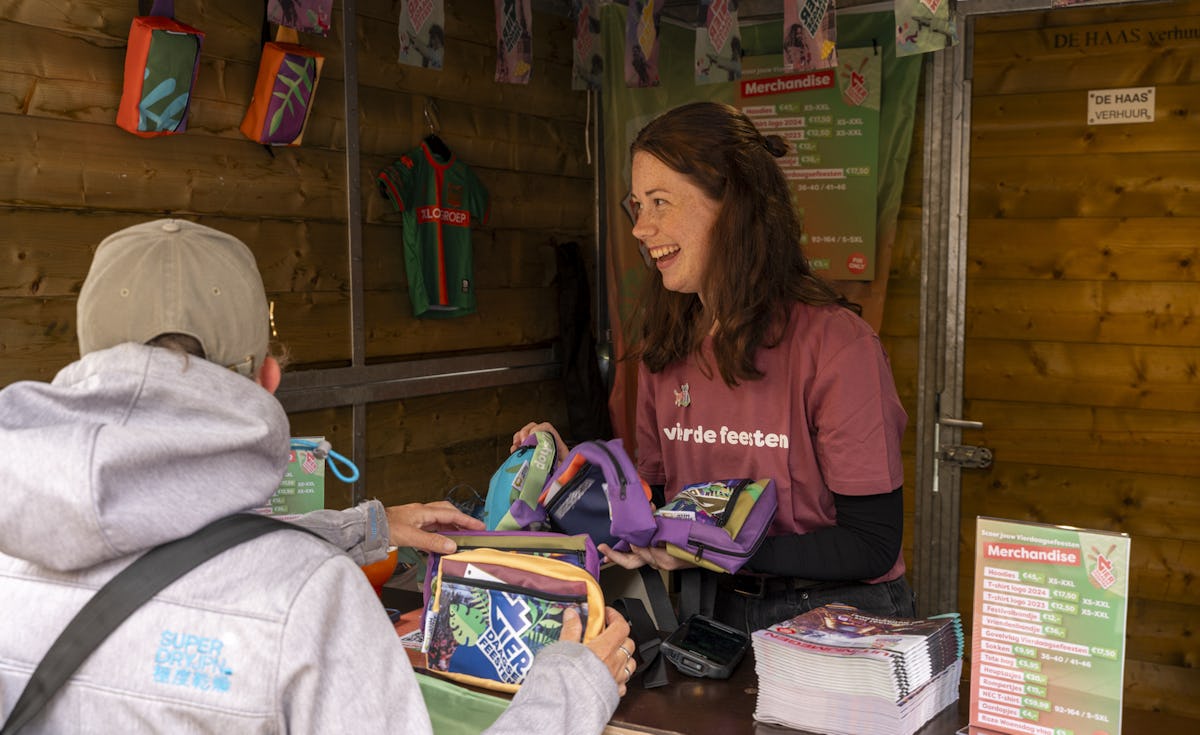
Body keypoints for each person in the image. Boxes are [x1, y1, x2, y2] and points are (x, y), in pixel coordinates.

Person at [0, 219, 636, 732]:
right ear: (267, 378)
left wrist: (367, 526)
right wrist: (573, 687)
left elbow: (165, 536)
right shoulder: (308, 596)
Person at [513, 102, 914, 634]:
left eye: (661, 202)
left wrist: (710, 550)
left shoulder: (838, 345)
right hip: (714, 613)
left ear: (735, 206)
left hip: (839, 622)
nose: (640, 227)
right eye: (637, 205)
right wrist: (577, 480)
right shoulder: (667, 347)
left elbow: (872, 543)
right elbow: (653, 508)